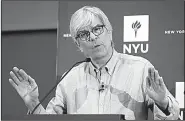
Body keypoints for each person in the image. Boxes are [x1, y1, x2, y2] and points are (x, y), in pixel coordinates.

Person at [9, 6, 180, 120]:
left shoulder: (140, 68)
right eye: (84, 34)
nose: (92, 37)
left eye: (97, 29)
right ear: (78, 45)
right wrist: (33, 103)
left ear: (109, 31)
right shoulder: (70, 79)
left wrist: (163, 103)